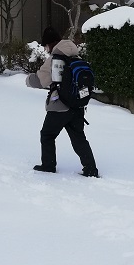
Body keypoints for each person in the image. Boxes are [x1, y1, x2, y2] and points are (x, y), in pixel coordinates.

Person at [26, 27, 99, 177]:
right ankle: (90, 169)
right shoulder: (76, 57)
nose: (46, 49)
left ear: (50, 44)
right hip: (77, 105)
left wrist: (28, 79)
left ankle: (48, 165)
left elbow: (40, 81)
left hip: (59, 105)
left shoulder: (55, 59)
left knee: (47, 134)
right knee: (78, 137)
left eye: (45, 45)